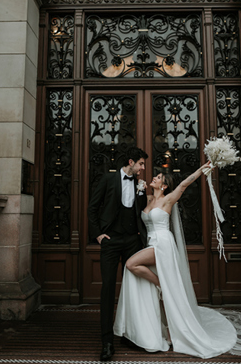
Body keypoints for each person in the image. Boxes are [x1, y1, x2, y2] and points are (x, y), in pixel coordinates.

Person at [114, 166, 241, 359]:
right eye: (155, 177)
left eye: (158, 178)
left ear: (164, 185)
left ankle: (160, 283)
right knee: (164, 297)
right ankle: (168, 331)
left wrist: (202, 170)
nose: (154, 178)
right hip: (150, 243)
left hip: (162, 245)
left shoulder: (168, 200)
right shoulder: (148, 198)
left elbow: (184, 184)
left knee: (132, 264)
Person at [87, 146, 149, 361]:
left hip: (132, 240)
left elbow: (140, 212)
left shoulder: (140, 184)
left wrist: (142, 193)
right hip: (111, 241)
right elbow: (92, 208)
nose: (143, 168)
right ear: (130, 162)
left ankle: (130, 333)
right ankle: (107, 342)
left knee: (133, 288)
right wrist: (98, 235)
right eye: (141, 164)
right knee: (108, 289)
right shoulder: (108, 179)